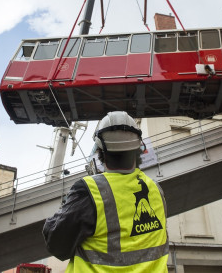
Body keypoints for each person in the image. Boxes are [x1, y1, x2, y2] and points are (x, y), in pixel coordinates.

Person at [43, 111, 169, 272]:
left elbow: (56, 244)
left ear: (100, 152)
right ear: (138, 148)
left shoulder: (89, 191)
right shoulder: (156, 189)